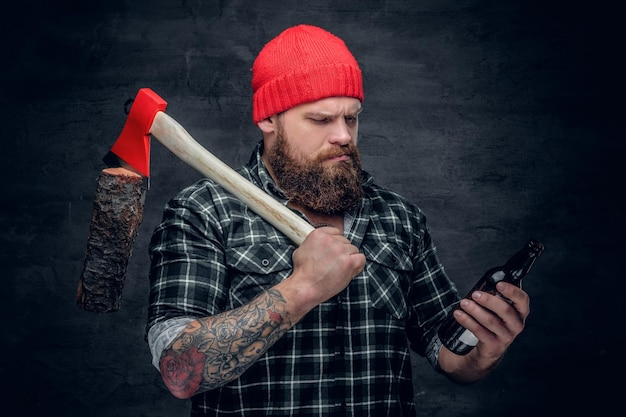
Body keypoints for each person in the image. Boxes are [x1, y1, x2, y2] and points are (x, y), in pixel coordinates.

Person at [145, 24, 530, 416]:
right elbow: (179, 371)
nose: (344, 135)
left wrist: (484, 351)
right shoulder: (204, 211)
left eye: (352, 118)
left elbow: (447, 353)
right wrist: (303, 288)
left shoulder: (398, 218)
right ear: (268, 120)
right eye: (321, 119)